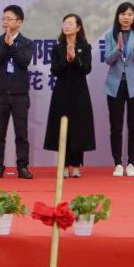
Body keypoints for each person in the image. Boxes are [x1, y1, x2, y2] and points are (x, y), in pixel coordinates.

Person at [44, 13, 97, 177]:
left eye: (70, 23)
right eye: (65, 23)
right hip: (62, 92)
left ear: (78, 27)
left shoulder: (85, 47)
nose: (66, 26)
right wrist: (67, 59)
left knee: (78, 128)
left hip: (80, 93)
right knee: (62, 129)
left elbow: (86, 69)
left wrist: (75, 58)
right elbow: (54, 70)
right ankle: (65, 166)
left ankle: (76, 166)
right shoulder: (57, 48)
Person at [98, 1, 134, 177]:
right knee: (116, 127)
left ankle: (131, 163)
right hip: (115, 86)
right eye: (123, 14)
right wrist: (118, 49)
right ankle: (118, 163)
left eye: (130, 14)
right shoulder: (110, 35)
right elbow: (108, 60)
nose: (126, 17)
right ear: (118, 16)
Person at [0, 4, 35, 179]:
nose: (5, 22)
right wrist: (6, 45)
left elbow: (24, 62)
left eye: (9, 19)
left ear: (19, 22)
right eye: (4, 19)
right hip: (0, 94)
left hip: (19, 94)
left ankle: (22, 166)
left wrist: (12, 46)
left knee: (21, 133)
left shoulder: (26, 43)